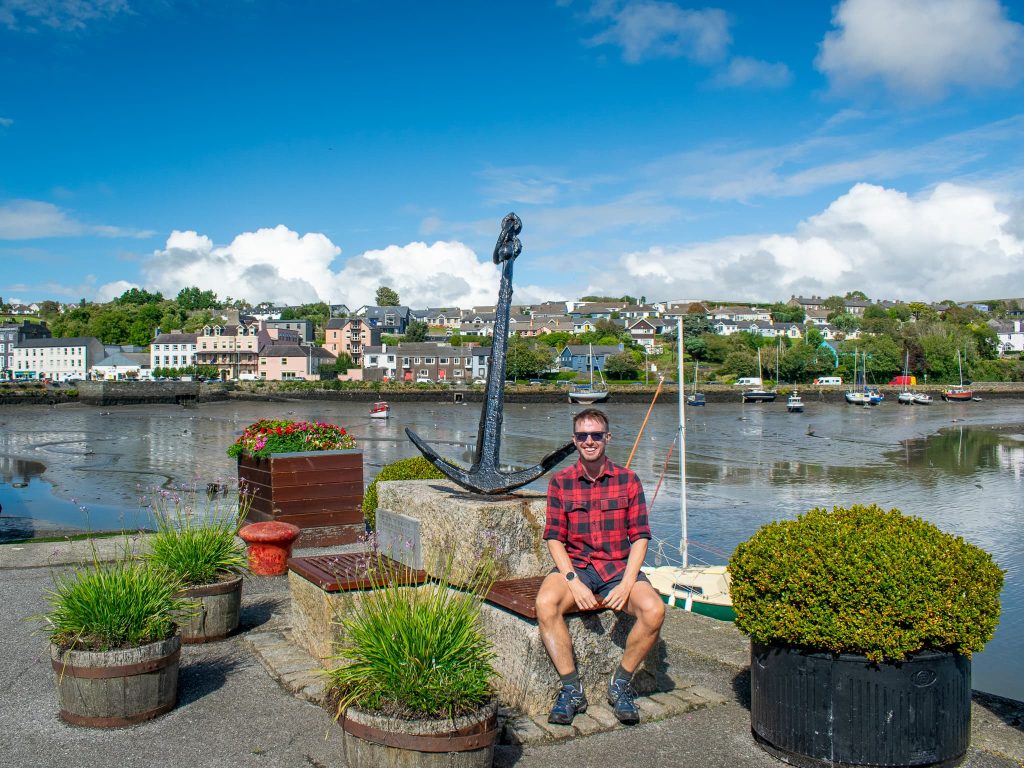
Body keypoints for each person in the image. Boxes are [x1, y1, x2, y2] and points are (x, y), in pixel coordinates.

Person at [535, 407, 665, 726]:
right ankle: (572, 691)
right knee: (545, 603)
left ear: (607, 437)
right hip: (578, 566)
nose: (589, 441)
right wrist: (573, 581)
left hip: (619, 567)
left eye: (595, 435)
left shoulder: (628, 480)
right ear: (574, 440)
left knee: (654, 610)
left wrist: (626, 584)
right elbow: (554, 538)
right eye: (582, 436)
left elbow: (640, 536)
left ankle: (620, 685)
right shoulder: (560, 483)